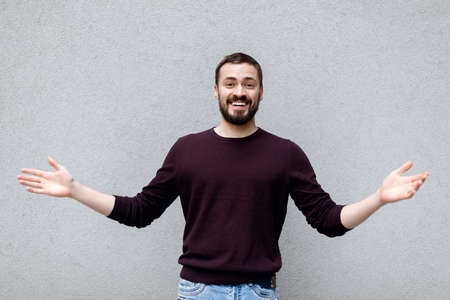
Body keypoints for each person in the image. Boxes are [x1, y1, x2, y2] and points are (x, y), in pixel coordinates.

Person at [16, 52, 430, 300]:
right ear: (215, 91)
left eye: (248, 84)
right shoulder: (186, 150)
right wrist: (74, 190)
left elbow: (327, 221)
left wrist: (378, 198)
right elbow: (139, 211)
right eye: (230, 83)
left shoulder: (286, 153)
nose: (239, 91)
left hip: (259, 291)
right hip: (197, 291)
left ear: (261, 93)